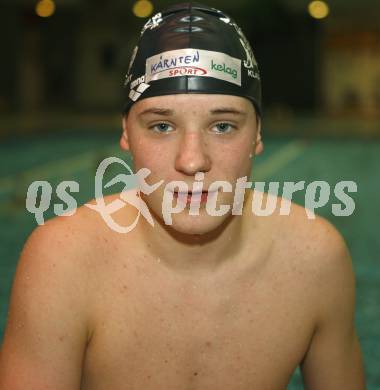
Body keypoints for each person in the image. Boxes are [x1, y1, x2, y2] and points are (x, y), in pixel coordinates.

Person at [0, 3, 365, 389]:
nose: (192, 161)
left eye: (223, 125)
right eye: (161, 126)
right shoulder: (62, 263)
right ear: (126, 133)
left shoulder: (315, 261)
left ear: (257, 133)